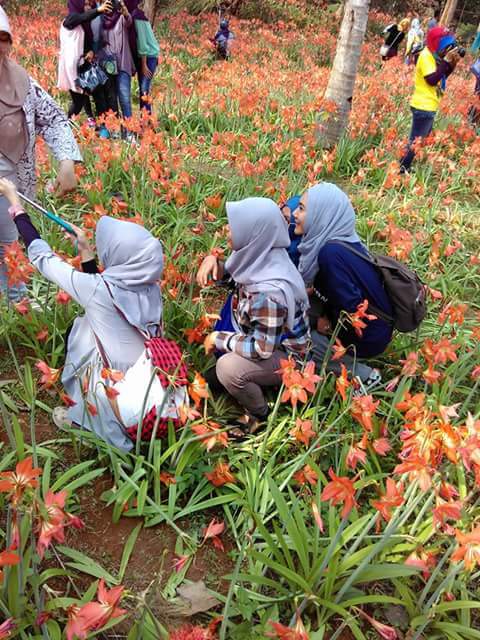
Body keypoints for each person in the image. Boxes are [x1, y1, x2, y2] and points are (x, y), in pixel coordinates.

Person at [0, 177, 164, 451]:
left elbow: (42, 258)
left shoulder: (97, 290)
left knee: (77, 333)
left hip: (115, 392)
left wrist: (15, 204)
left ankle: (88, 422)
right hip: (147, 381)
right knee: (85, 325)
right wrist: (86, 251)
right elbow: (103, 298)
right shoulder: (150, 288)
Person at [197, 198, 310, 434]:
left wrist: (218, 339)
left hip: (285, 358)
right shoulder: (264, 254)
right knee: (217, 373)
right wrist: (217, 264)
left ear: (254, 235)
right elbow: (240, 275)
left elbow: (261, 349)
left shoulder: (268, 294)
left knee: (228, 368)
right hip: (265, 337)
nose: (228, 230)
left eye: (235, 227)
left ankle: (259, 415)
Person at [0, 6, 81, 304]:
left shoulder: (22, 82)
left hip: (12, 185)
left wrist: (66, 159)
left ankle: (17, 304)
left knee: (8, 242)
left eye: (2, 38)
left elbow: (56, 119)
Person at [294, 183, 394, 392]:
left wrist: (329, 323)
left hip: (367, 334)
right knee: (299, 308)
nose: (295, 213)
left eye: (301, 208)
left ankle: (364, 375)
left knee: (302, 342)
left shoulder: (329, 254)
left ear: (322, 215)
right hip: (375, 323)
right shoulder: (341, 240)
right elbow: (338, 287)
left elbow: (352, 307)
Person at [400, 26, 461, 173]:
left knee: (418, 139)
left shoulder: (434, 56)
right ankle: (402, 169)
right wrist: (446, 61)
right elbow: (432, 80)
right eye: (445, 47)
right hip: (423, 106)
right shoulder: (426, 56)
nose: (446, 50)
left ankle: (404, 166)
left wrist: (451, 63)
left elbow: (442, 77)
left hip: (429, 105)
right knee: (416, 141)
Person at [58, 0, 113, 125]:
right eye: (85, 4)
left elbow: (88, 42)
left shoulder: (85, 26)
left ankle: (103, 126)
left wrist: (91, 51)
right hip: (73, 70)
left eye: (90, 5)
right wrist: (98, 10)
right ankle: (65, 127)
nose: (88, 7)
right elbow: (81, 17)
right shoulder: (69, 21)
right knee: (79, 102)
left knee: (98, 94)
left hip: (84, 66)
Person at [102, 0, 135, 122]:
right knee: (111, 99)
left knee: (124, 98)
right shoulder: (99, 20)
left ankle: (129, 130)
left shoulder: (121, 18)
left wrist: (125, 12)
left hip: (122, 64)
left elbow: (129, 22)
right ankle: (115, 128)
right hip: (107, 65)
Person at [132, 0, 159, 113]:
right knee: (143, 89)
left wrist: (143, 65)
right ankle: (145, 119)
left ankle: (147, 121)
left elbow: (143, 44)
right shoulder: (134, 14)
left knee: (144, 89)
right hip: (142, 56)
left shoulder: (137, 17)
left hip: (149, 56)